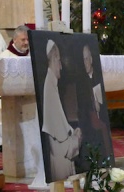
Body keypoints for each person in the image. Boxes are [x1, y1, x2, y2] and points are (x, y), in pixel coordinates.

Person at [41, 39, 82, 182]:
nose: (61, 67)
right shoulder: (49, 86)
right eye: (59, 61)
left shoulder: (52, 84)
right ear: (53, 58)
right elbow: (61, 142)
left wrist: (72, 131)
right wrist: (76, 139)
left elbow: (61, 127)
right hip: (59, 162)